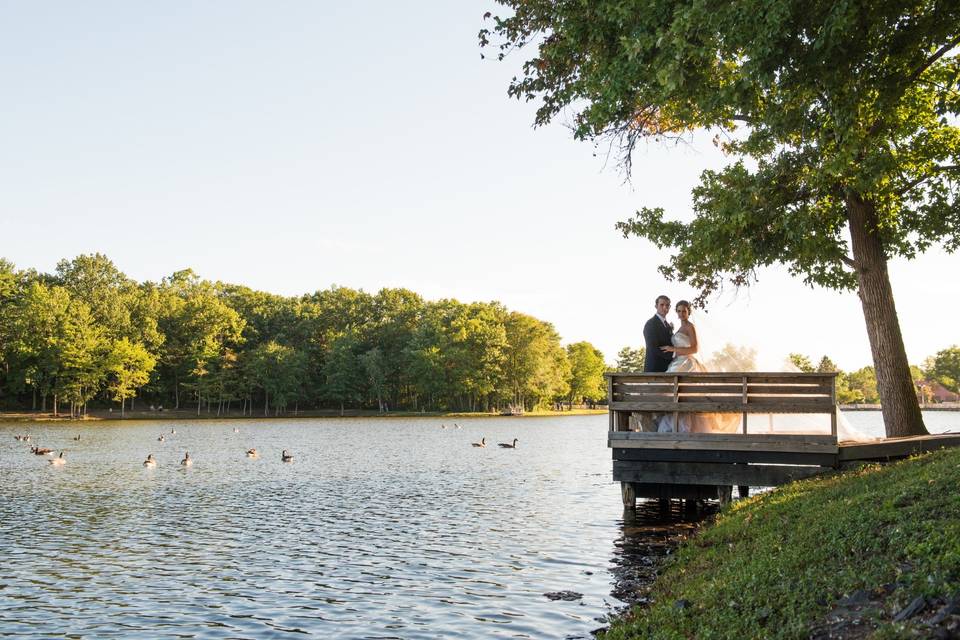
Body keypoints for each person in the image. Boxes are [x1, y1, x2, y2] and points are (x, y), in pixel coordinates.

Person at [657, 300, 739, 433]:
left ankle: (688, 428)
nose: (681, 313)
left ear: (688, 312)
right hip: (677, 361)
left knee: (688, 395)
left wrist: (673, 349)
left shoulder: (690, 327)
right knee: (672, 394)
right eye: (679, 311)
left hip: (687, 363)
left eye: (684, 311)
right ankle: (679, 426)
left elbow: (694, 348)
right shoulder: (678, 328)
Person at [643, 295, 675, 372]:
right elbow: (654, 348)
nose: (665, 307)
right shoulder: (650, 324)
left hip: (667, 368)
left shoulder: (667, 325)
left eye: (667, 305)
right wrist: (675, 355)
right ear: (656, 306)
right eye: (662, 305)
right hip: (654, 369)